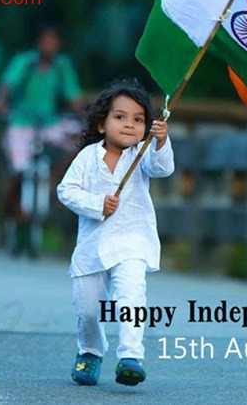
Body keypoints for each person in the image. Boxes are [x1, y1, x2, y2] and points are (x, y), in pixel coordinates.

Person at [57, 79, 174, 386]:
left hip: (133, 240)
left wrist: (160, 142)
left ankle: (131, 357)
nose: (129, 125)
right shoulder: (87, 158)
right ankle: (90, 352)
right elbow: (66, 191)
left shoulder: (142, 154)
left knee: (131, 295)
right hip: (93, 246)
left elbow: (162, 169)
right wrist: (97, 204)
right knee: (88, 308)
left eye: (138, 120)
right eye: (120, 117)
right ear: (101, 125)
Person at [0, 22, 83, 257]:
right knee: (19, 170)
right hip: (22, 122)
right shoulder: (25, 62)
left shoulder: (62, 66)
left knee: (79, 141)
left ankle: (54, 181)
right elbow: (6, 87)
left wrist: (84, 113)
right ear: (38, 42)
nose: (49, 45)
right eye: (46, 40)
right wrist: (1, 101)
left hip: (50, 123)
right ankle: (8, 216)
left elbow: (74, 97)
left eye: (53, 41)